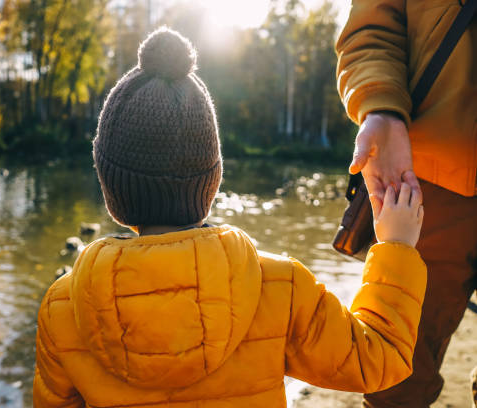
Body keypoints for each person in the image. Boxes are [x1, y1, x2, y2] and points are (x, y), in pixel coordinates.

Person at [32, 27, 426, 408]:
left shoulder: (63, 307)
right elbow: (377, 358)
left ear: (110, 187)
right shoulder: (278, 287)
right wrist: (396, 247)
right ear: (212, 180)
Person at [335, 1, 477, 407]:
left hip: (419, 177)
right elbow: (371, 30)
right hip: (425, 180)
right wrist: (378, 106)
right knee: (397, 380)